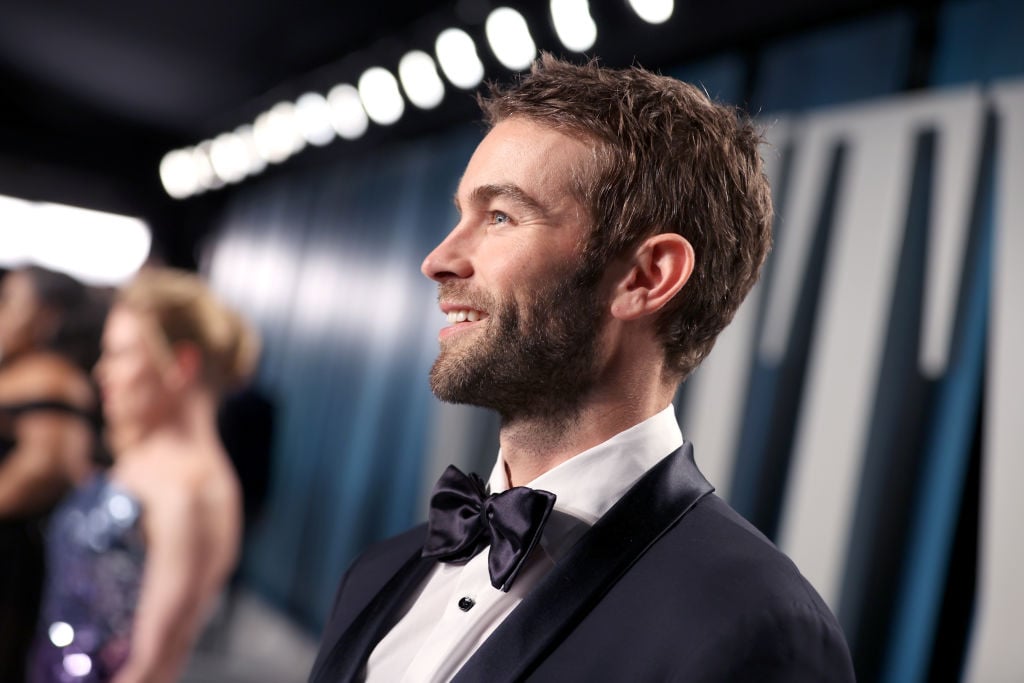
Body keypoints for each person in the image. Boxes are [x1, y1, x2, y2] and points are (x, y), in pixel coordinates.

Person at [310, 54, 856, 682]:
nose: (438, 259)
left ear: (647, 276)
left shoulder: (755, 626)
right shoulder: (377, 571)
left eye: (500, 217)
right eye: (461, 214)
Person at [30, 267, 260, 683]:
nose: (102, 371)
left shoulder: (193, 493)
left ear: (181, 364)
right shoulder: (142, 457)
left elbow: (150, 668)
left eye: (119, 354)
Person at [0, 266, 107, 683]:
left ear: (49, 315)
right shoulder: (25, 371)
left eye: (12, 301)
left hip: (11, 557)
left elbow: (44, 470)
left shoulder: (54, 379)